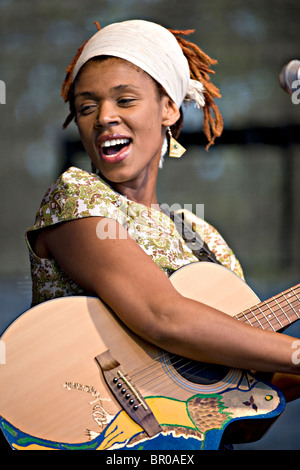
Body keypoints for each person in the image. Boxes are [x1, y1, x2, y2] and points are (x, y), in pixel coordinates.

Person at [25, 19, 299, 448]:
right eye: (86, 107)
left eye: (125, 100)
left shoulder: (203, 238)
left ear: (169, 109)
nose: (104, 117)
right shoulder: (76, 197)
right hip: (83, 429)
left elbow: (248, 384)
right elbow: (163, 317)